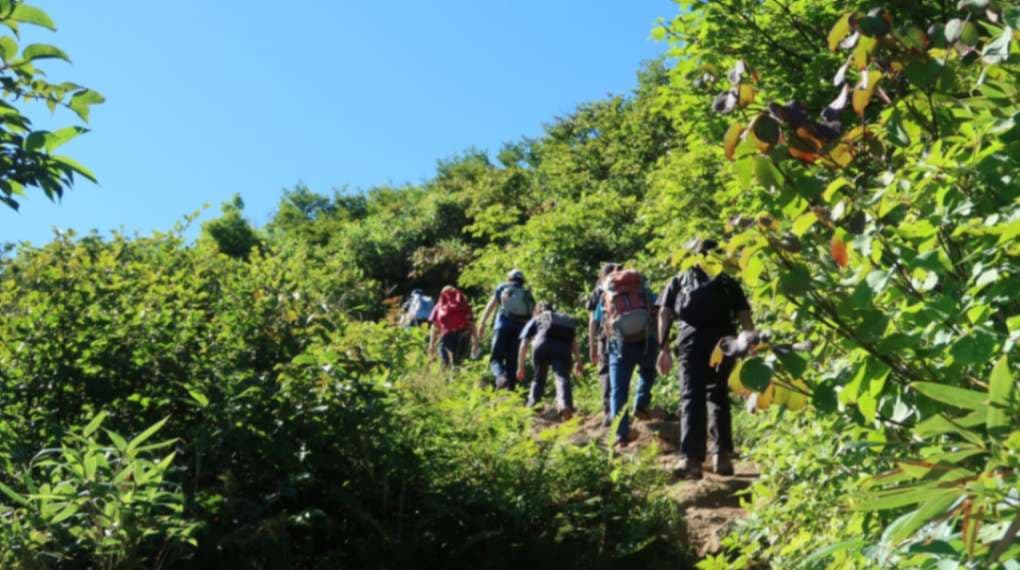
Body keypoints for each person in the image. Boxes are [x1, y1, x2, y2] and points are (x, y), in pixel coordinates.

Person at [656, 238, 754, 480]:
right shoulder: (728, 282)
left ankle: (691, 459)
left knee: (691, 395)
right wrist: (751, 348)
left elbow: (664, 313)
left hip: (691, 339)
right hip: (725, 341)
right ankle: (722, 456)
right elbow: (744, 316)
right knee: (719, 394)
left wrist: (663, 349)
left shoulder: (680, 279)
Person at [601, 267, 658, 448]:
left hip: (620, 346)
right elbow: (658, 313)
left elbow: (601, 321)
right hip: (646, 341)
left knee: (619, 390)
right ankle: (641, 402)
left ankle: (620, 436)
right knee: (648, 371)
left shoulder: (608, 295)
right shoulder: (646, 294)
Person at [516, 302, 583, 419]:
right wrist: (578, 361)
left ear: (537, 311)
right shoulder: (563, 321)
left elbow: (523, 344)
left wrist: (520, 367)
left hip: (541, 345)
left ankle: (532, 407)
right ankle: (564, 405)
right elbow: (573, 343)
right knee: (561, 377)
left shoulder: (537, 318)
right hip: (562, 348)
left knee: (538, 378)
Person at [477, 269, 535, 389]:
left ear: (509, 279)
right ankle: (510, 391)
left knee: (496, 359)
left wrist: (482, 323)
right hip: (520, 331)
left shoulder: (504, 287)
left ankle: (500, 377)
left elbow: (491, 305)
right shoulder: (526, 293)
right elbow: (532, 315)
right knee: (512, 361)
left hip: (502, 327)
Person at [587, 262, 620, 424]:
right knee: (621, 372)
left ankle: (609, 412)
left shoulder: (600, 292)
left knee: (606, 371)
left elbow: (593, 321)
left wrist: (592, 346)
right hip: (626, 335)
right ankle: (621, 410)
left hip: (605, 335)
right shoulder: (626, 287)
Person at [428, 286, 478, 368]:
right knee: (460, 363)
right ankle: (458, 379)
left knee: (445, 363)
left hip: (447, 337)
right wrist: (475, 342)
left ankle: (445, 379)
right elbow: (471, 324)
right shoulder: (463, 305)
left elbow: (435, 327)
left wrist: (432, 345)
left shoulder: (439, 306)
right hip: (463, 335)